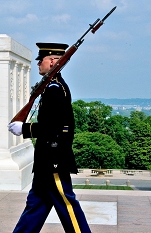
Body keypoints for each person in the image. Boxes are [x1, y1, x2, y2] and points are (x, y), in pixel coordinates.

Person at [8, 43, 91, 233]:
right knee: (36, 204)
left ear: (53, 61)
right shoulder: (51, 87)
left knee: (67, 205)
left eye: (41, 60)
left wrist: (26, 128)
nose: (38, 64)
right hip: (46, 158)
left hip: (54, 158)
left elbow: (54, 127)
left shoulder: (55, 89)